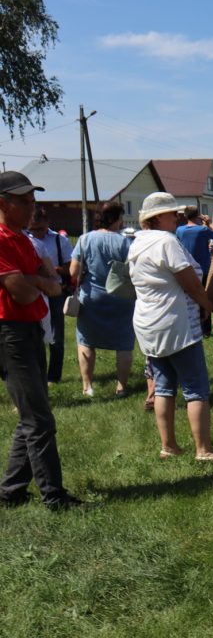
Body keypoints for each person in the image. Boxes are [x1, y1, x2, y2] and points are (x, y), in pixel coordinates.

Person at [0, 172, 87, 510]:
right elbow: (23, 294)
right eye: (24, 202)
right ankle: (55, 497)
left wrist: (33, 279)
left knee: (33, 416)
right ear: (3, 203)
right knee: (39, 420)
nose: (32, 208)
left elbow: (54, 284)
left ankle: (11, 492)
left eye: (33, 200)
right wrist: (36, 280)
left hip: (30, 330)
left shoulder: (22, 240)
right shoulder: (3, 240)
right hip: (10, 333)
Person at [127, 192, 213, 461]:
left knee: (163, 385)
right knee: (196, 387)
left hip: (149, 321)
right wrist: (208, 304)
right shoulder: (166, 242)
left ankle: (169, 446)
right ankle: (203, 449)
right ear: (157, 217)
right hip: (176, 321)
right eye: (172, 213)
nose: (177, 217)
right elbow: (190, 282)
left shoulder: (138, 242)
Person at [69, 201, 135, 398]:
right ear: (116, 218)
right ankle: (121, 387)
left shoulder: (85, 239)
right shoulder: (125, 243)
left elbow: (73, 271)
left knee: (86, 341)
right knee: (124, 344)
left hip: (92, 297)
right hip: (121, 297)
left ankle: (87, 386)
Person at [26, 208, 73, 384]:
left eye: (40, 229)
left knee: (56, 335)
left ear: (47, 223)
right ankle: (36, 373)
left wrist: (53, 270)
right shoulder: (24, 239)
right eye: (33, 229)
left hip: (54, 291)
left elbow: (70, 267)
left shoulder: (60, 240)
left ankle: (53, 376)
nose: (37, 233)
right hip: (32, 291)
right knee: (32, 334)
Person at [175, 205, 213, 282]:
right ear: (198, 216)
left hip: (186, 268)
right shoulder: (203, 230)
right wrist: (209, 223)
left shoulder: (179, 230)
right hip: (203, 268)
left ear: (185, 215)